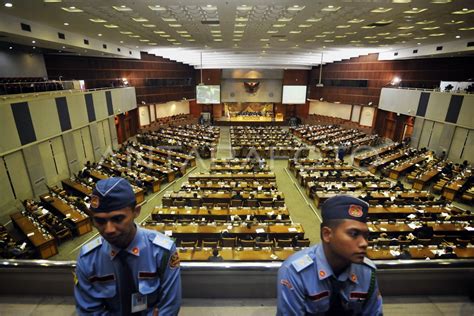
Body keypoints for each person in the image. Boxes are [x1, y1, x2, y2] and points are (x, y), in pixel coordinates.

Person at [74, 177, 181, 315]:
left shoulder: (162, 252)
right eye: (100, 221)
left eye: (117, 219)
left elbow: (169, 307)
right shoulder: (87, 259)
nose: (109, 229)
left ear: (136, 211)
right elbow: (88, 311)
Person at [277, 195, 383, 315]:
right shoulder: (295, 272)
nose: (364, 243)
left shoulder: (367, 271)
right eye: (354, 234)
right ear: (327, 234)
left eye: (366, 236)